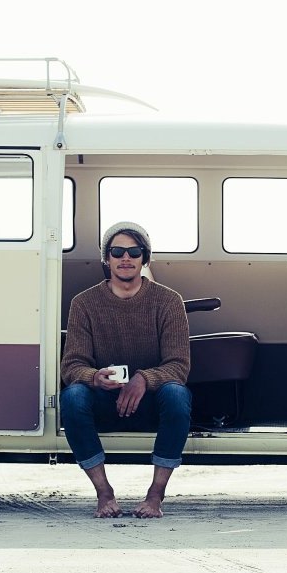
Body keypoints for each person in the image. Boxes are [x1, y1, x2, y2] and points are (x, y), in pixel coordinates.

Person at [60, 221, 192, 518]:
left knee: (177, 395)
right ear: (106, 258)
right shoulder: (84, 303)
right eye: (117, 251)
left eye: (134, 251)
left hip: (151, 403)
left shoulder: (169, 301)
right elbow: (71, 365)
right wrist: (94, 377)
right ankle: (104, 493)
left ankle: (155, 495)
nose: (126, 258)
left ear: (145, 258)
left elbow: (179, 366)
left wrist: (144, 379)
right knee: (72, 396)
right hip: (104, 400)